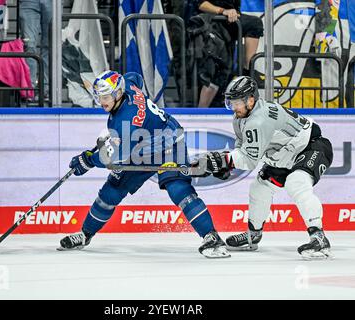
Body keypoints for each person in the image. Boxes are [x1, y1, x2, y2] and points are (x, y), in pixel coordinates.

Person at [58, 70, 230, 258]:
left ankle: (212, 237)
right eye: (99, 97)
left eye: (106, 97)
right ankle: (85, 234)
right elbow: (135, 77)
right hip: (140, 146)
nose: (102, 102)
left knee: (178, 188)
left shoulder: (126, 120)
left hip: (168, 145)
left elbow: (115, 156)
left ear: (117, 93)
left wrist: (87, 160)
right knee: (111, 191)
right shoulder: (128, 86)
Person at [198, 76, 333, 259]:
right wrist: (226, 164)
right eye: (231, 102)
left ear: (251, 100)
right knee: (259, 187)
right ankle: (253, 235)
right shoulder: (240, 118)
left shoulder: (259, 119)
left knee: (297, 183)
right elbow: (242, 147)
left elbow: (249, 160)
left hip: (311, 146)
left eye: (237, 102)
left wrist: (222, 160)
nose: (234, 107)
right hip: (283, 155)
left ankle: (319, 237)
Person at [197, 0, 263, 107]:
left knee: (224, 71)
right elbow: (201, 4)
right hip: (211, 23)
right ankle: (199, 112)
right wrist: (223, 11)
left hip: (228, 23)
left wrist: (230, 11)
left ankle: (247, 73)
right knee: (216, 71)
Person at [19, 0, 52, 99]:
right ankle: (29, 89)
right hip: (28, 1)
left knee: (50, 45)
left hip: (53, 2)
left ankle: (46, 89)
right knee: (29, 45)